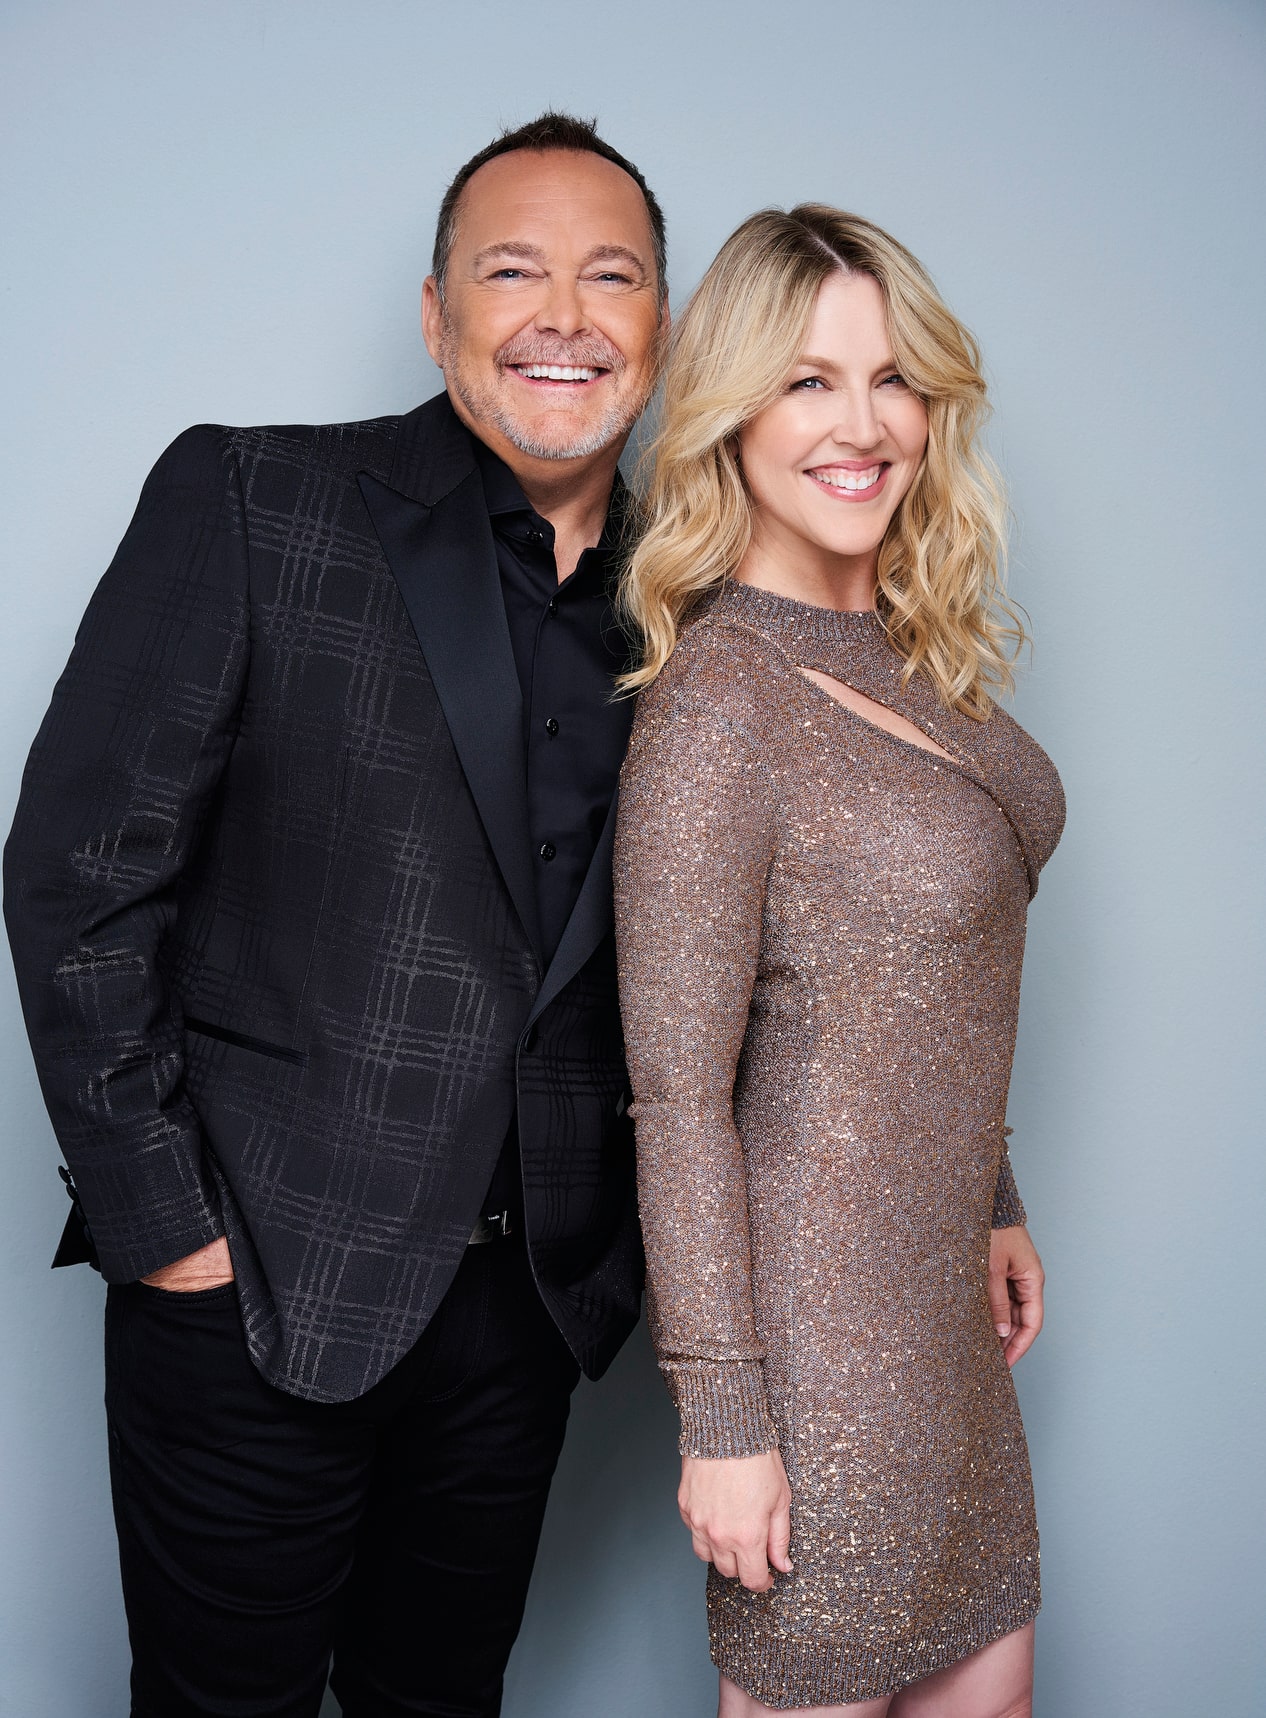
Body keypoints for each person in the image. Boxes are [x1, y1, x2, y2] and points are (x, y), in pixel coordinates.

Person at [4, 112, 666, 1718]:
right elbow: (79, 875)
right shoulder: (259, 497)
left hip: (526, 1313)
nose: (563, 315)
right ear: (435, 315)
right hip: (257, 1282)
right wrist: (173, 1242)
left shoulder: (697, 599)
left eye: (611, 276)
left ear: (660, 326)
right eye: (510, 272)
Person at [613, 206, 1065, 1717]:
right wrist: (723, 1420)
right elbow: (679, 1095)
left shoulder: (913, 652)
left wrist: (992, 1196)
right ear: (732, 411)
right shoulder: (717, 708)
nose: (863, 426)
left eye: (892, 379)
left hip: (941, 1316)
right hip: (814, 1356)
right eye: (808, 382)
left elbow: (916, 977)